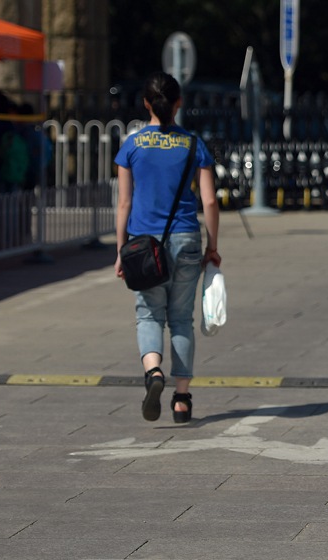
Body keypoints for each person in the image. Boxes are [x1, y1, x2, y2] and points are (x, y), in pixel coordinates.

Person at [114, 72, 220, 424]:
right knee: (180, 320)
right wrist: (213, 246)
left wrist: (120, 250)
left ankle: (154, 372)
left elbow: (124, 203)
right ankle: (182, 399)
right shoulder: (193, 144)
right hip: (187, 239)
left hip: (144, 245)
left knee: (148, 314)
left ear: (146, 103)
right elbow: (209, 201)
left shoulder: (132, 145)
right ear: (179, 103)